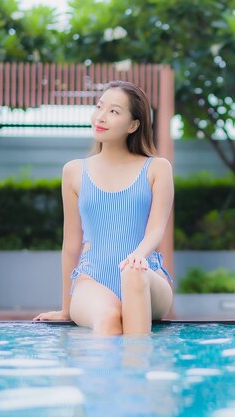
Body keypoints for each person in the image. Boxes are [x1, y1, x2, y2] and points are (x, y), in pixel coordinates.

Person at [33, 80, 174, 335]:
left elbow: (155, 231)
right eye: (100, 107)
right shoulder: (74, 171)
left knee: (132, 273)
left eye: (114, 111)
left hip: (146, 277)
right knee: (109, 318)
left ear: (133, 125)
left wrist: (137, 258)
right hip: (92, 281)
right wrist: (66, 308)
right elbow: (71, 245)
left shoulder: (157, 168)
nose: (101, 116)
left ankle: (136, 369)